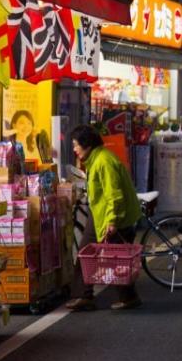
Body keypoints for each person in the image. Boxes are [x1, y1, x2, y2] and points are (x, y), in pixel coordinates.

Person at [66, 125, 142, 311]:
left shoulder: (103, 162)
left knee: (117, 260)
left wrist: (113, 221)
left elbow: (114, 195)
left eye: (76, 145)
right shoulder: (95, 159)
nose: (74, 149)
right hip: (99, 214)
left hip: (114, 217)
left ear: (88, 145)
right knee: (86, 253)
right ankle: (84, 296)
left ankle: (128, 298)